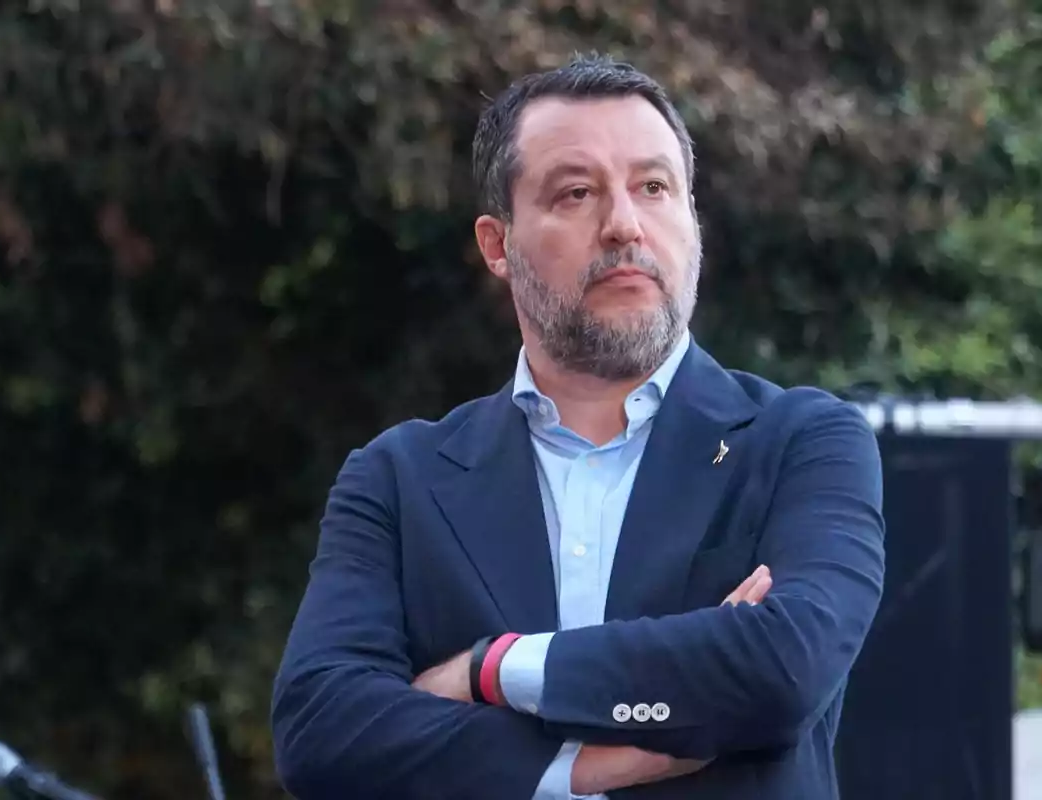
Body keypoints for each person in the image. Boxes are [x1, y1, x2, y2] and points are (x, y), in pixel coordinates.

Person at [270, 53, 886, 800]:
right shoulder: (401, 481)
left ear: (692, 221)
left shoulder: (802, 442)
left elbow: (784, 668)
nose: (624, 224)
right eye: (576, 193)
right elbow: (322, 734)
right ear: (498, 245)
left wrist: (487, 670)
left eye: (654, 187)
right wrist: (574, 767)